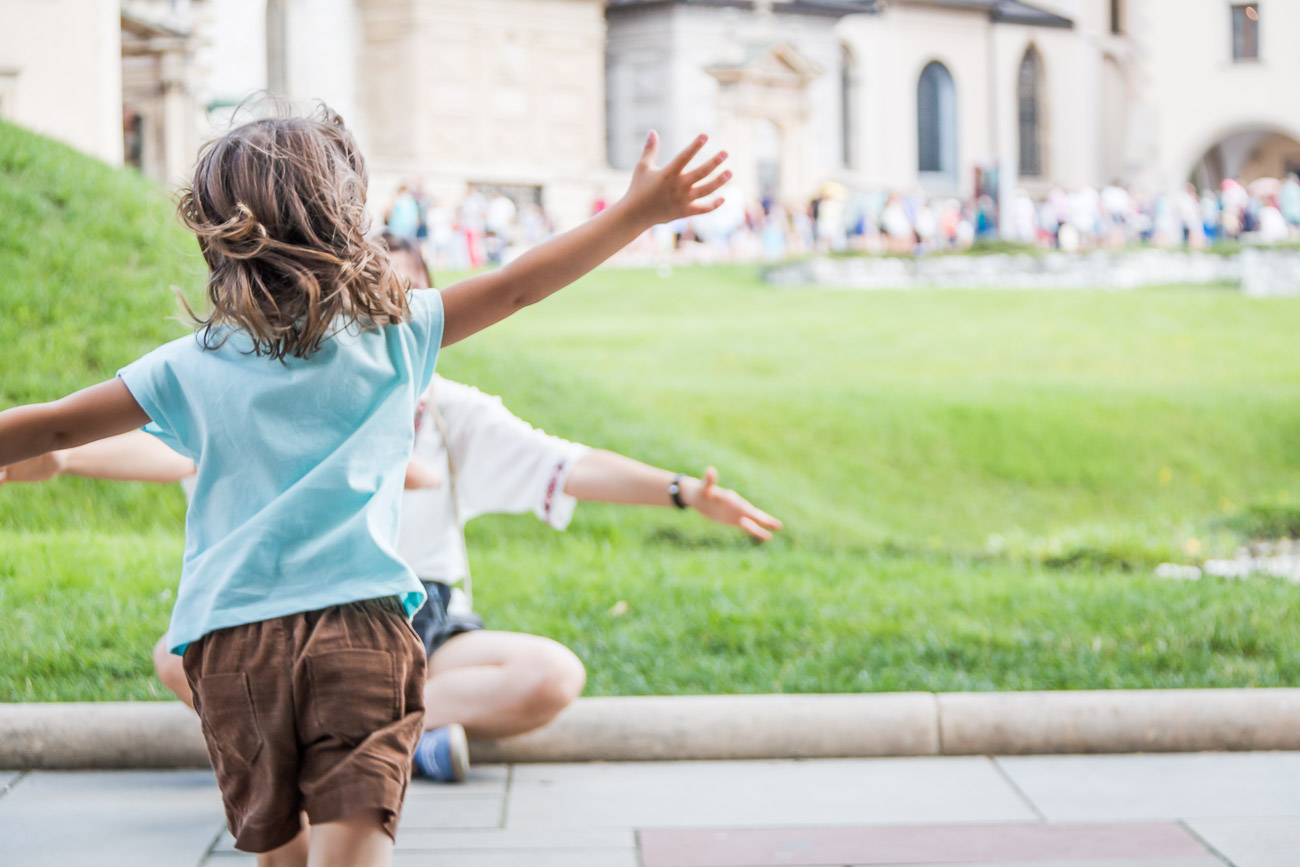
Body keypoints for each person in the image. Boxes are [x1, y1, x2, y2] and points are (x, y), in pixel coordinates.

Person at [0, 101, 730, 867]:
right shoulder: (399, 334)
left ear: (216, 235)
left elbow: (52, 425)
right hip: (361, 632)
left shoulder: (185, 366)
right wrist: (637, 213)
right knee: (353, 851)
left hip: (229, 642)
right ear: (346, 217)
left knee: (282, 854)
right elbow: (519, 285)